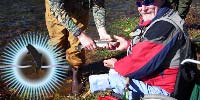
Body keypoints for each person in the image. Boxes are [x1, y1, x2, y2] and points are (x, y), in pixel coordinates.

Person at [89, 0, 190, 99]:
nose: (143, 8)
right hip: (161, 79)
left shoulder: (163, 26)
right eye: (139, 3)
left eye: (148, 2)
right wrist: (127, 45)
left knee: (108, 78)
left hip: (163, 90)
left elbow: (138, 65)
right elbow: (151, 49)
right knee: (114, 73)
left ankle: (86, 90)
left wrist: (116, 64)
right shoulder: (165, 15)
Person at [45, 0, 112, 95]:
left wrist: (102, 31)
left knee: (76, 44)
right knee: (57, 42)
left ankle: (76, 74)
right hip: (57, 7)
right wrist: (80, 34)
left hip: (81, 7)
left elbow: (98, 4)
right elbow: (57, 9)